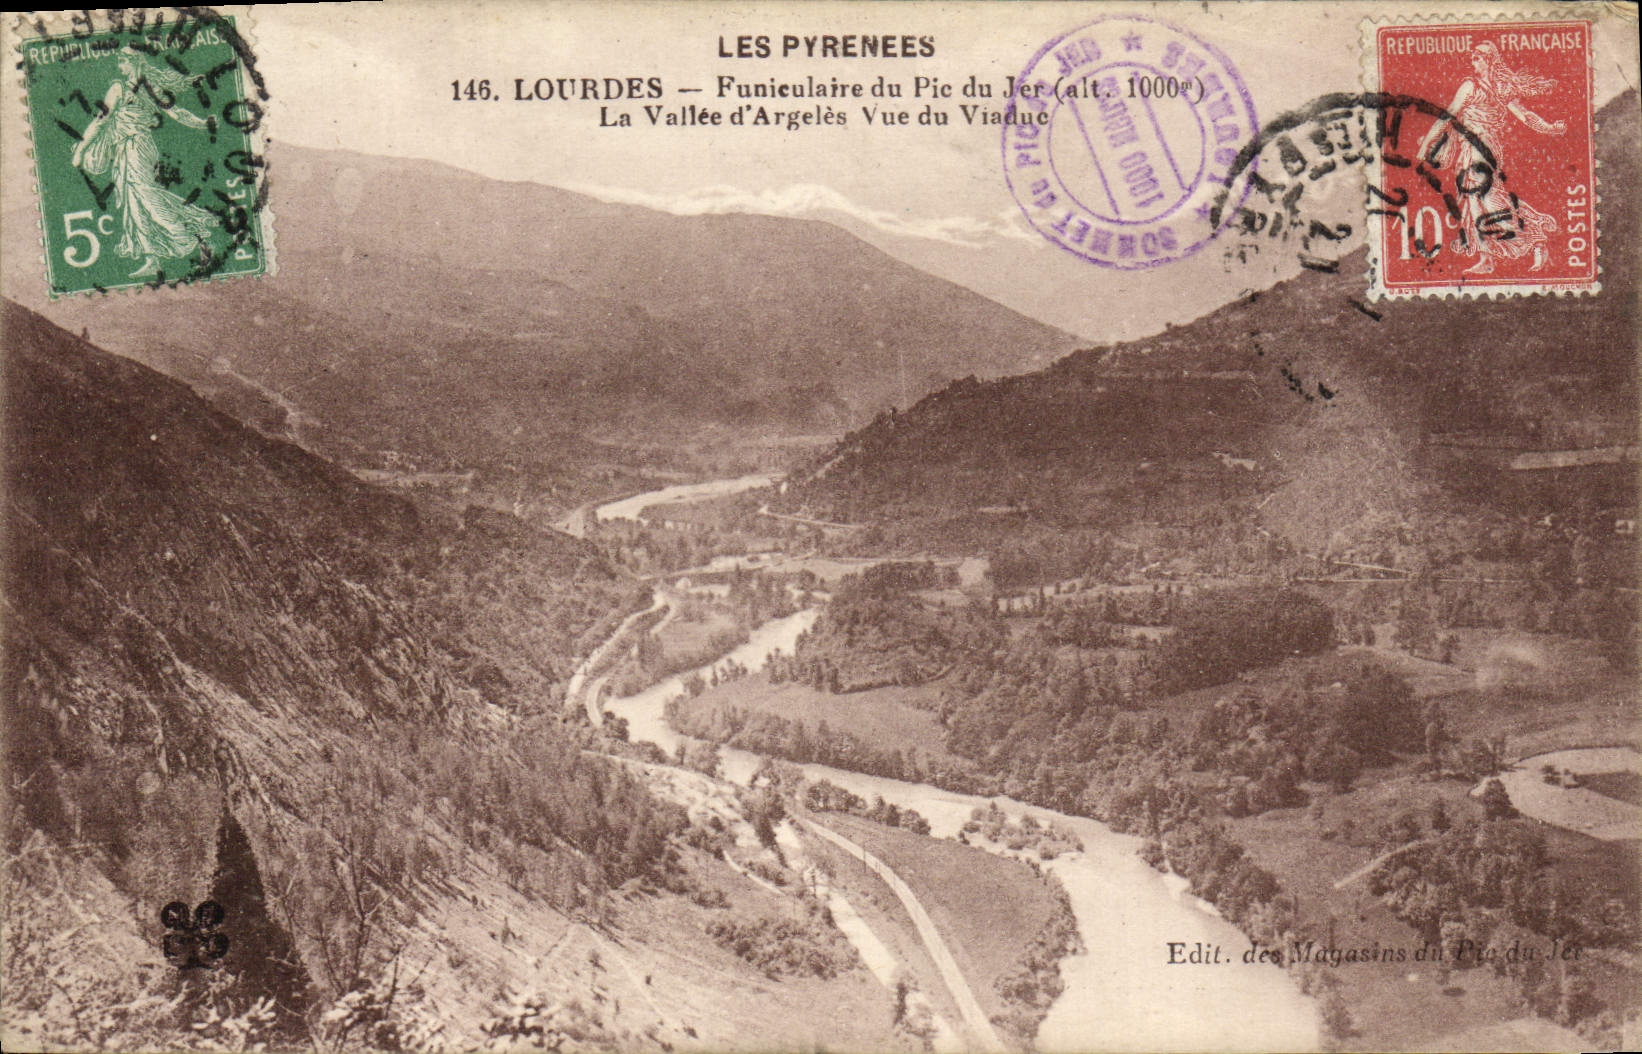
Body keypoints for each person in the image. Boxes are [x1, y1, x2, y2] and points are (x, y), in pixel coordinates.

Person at [1417, 41, 1566, 275]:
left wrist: (1549, 128)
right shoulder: (1488, 87)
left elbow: (1524, 116)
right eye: (1472, 58)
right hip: (1473, 147)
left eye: (1477, 58)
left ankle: (1535, 238)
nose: (1473, 62)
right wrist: (1549, 128)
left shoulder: (1477, 87)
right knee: (1473, 200)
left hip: (1481, 147)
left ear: (1489, 61)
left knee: (1488, 199)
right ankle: (1486, 258)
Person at [70, 47, 220, 277]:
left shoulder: (119, 89)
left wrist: (80, 149)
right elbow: (177, 113)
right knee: (134, 202)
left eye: (122, 63)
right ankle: (153, 258)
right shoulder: (150, 89)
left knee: (147, 197)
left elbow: (101, 121)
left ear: (133, 63)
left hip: (135, 148)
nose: (120, 68)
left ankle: (190, 238)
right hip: (128, 149)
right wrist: (202, 123)